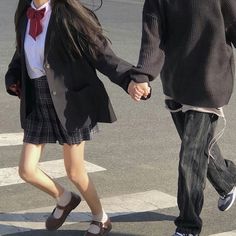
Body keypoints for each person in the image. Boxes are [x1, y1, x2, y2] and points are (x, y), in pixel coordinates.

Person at [5, 0, 149, 235]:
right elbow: (21, 54)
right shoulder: (25, 15)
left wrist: (130, 80)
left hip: (71, 102)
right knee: (26, 170)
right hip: (38, 100)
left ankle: (100, 218)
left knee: (74, 171)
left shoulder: (69, 16)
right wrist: (12, 77)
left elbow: (102, 55)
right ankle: (64, 198)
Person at [128, 0, 236, 235]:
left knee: (190, 156)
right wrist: (143, 75)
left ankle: (188, 226)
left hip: (210, 77)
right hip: (177, 81)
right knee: (198, 148)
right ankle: (229, 180)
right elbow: (152, 36)